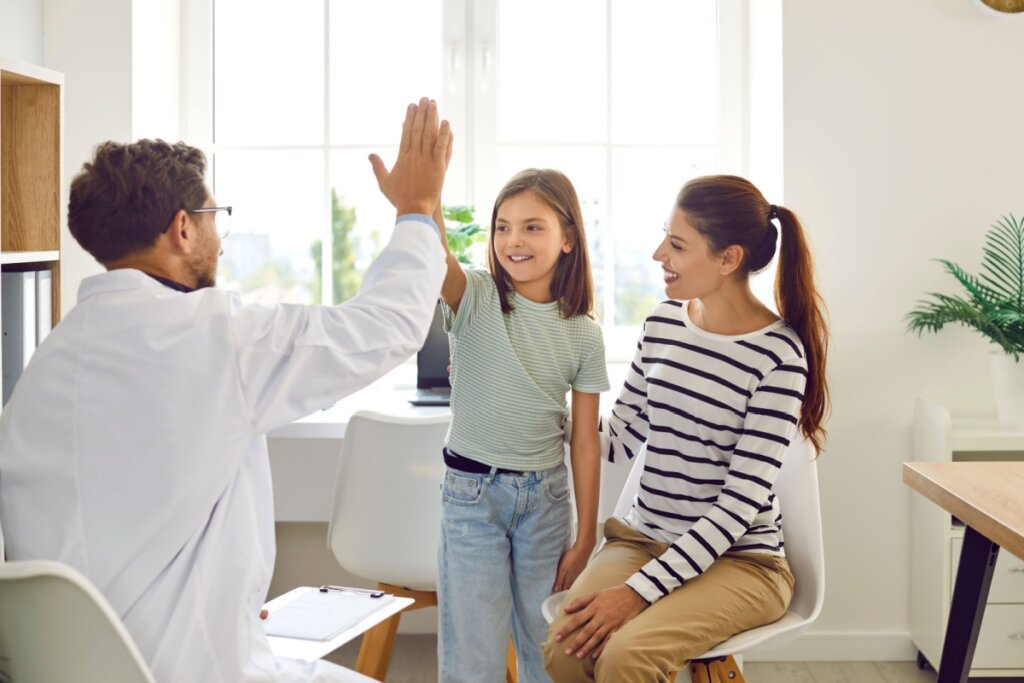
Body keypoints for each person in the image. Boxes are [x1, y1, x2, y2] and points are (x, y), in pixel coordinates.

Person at [0, 99, 451, 683]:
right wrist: (416, 211)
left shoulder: (44, 367)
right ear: (182, 228)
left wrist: (226, 602)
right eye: (215, 215)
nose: (220, 233)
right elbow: (385, 329)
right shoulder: (220, 338)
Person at [543, 174, 830, 682]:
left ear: (728, 259)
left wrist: (636, 593)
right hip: (642, 539)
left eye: (677, 245)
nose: (659, 254)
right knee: (567, 647)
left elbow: (738, 506)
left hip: (743, 562)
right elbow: (619, 440)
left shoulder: (778, 356)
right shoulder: (663, 324)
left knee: (626, 657)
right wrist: (538, 397)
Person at [432, 168, 611, 682]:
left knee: (549, 650)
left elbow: (583, 441)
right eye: (503, 226)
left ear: (569, 238)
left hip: (546, 503)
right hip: (471, 499)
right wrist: (426, 195)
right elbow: (437, 255)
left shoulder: (583, 334)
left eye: (533, 227)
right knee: (474, 655)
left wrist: (585, 537)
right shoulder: (477, 297)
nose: (513, 240)